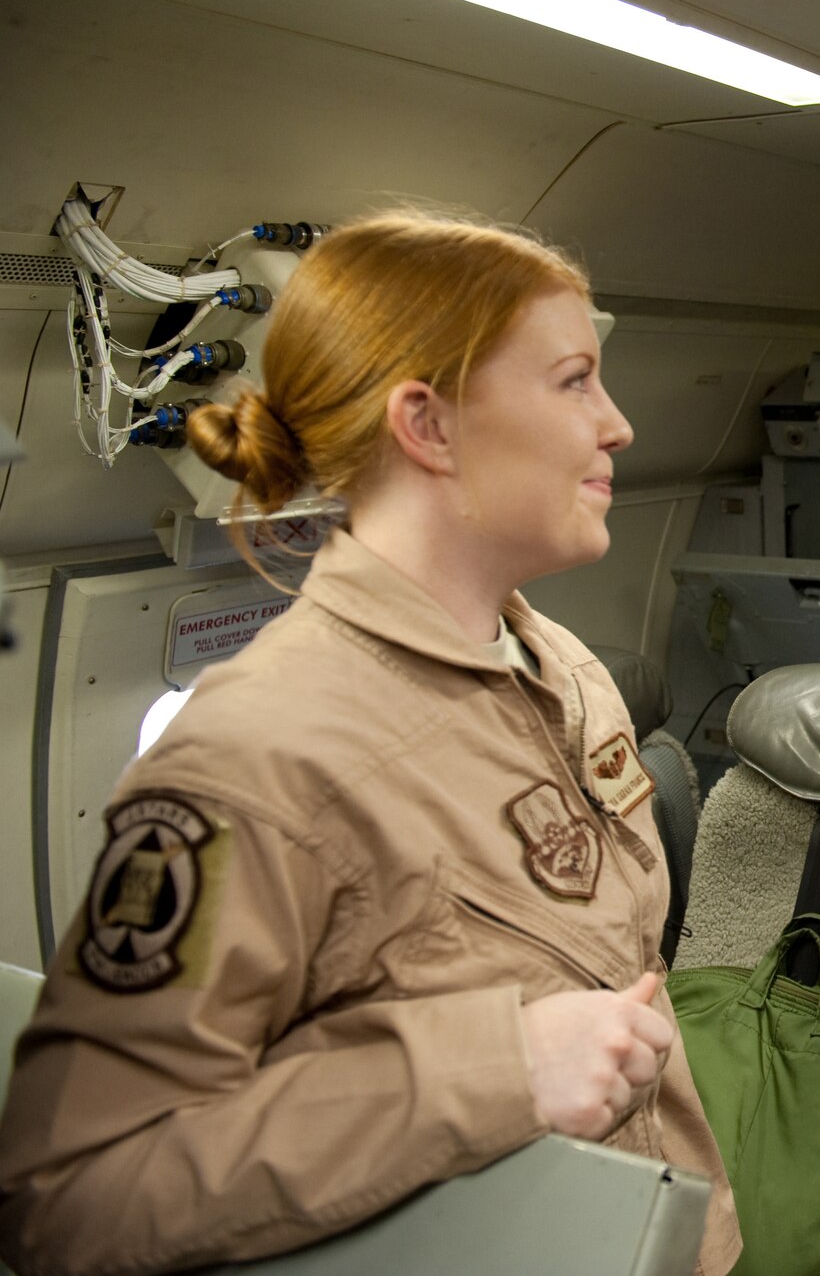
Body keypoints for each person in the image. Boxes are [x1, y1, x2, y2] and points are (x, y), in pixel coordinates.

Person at [0, 213, 740, 1276]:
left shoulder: (563, 668)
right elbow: (71, 1193)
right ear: (428, 425)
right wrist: (494, 1067)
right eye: (575, 379)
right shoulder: (256, 756)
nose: (619, 425)